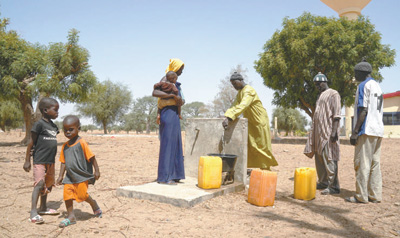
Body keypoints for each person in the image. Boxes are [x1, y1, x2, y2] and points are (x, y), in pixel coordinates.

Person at [222, 72, 278, 170]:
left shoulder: (248, 91)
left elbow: (243, 105)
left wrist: (230, 117)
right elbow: (234, 105)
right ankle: (259, 169)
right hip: (251, 122)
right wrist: (227, 117)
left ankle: (266, 169)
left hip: (260, 121)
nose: (234, 86)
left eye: (235, 83)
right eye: (232, 85)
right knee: (253, 145)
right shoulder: (240, 93)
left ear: (241, 80)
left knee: (262, 146)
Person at [346, 60, 384, 204]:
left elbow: (363, 109)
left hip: (366, 130)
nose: (355, 76)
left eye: (356, 73)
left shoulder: (363, 85)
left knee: (362, 163)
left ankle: (361, 196)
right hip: (378, 130)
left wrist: (355, 132)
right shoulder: (377, 86)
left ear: (361, 72)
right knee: (375, 164)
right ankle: (375, 195)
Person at [56, 115, 102, 227]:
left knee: (82, 195)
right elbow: (63, 162)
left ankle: (93, 204)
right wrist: (60, 176)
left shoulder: (82, 142)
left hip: (81, 175)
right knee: (67, 195)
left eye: (71, 129)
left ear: (78, 128)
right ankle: (71, 216)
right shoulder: (65, 146)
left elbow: (91, 157)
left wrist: (97, 170)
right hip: (70, 176)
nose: (67, 132)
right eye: (65, 130)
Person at [23, 97, 61, 224]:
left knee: (48, 184)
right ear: (45, 110)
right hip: (40, 159)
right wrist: (27, 160)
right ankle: (33, 212)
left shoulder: (53, 126)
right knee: (39, 184)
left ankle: (43, 207)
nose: (57, 113)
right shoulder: (39, 124)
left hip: (51, 160)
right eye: (55, 110)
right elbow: (31, 142)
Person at [304, 72, 341, 195]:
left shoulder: (333, 93)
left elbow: (336, 114)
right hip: (318, 134)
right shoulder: (320, 96)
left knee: (330, 158)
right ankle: (323, 182)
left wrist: (334, 131)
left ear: (324, 82)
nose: (317, 86)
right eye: (316, 85)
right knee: (319, 159)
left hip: (328, 132)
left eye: (319, 84)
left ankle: (334, 186)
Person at [152, 58, 185, 185]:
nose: (182, 71)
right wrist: (171, 96)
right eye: (181, 69)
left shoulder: (174, 80)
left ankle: (175, 174)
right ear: (175, 68)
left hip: (174, 113)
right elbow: (155, 93)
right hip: (168, 112)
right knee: (168, 144)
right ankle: (164, 177)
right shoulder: (165, 79)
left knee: (176, 143)